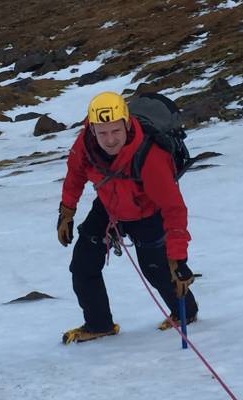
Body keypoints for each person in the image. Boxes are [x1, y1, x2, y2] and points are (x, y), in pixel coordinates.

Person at [57, 91, 198, 344]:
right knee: (83, 264)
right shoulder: (85, 145)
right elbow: (74, 177)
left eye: (115, 131)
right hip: (109, 205)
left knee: (157, 270)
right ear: (91, 129)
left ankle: (185, 312)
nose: (110, 140)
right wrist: (66, 212)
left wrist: (178, 257)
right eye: (102, 133)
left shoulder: (151, 156)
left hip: (148, 210)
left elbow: (174, 208)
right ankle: (99, 324)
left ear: (126, 124)